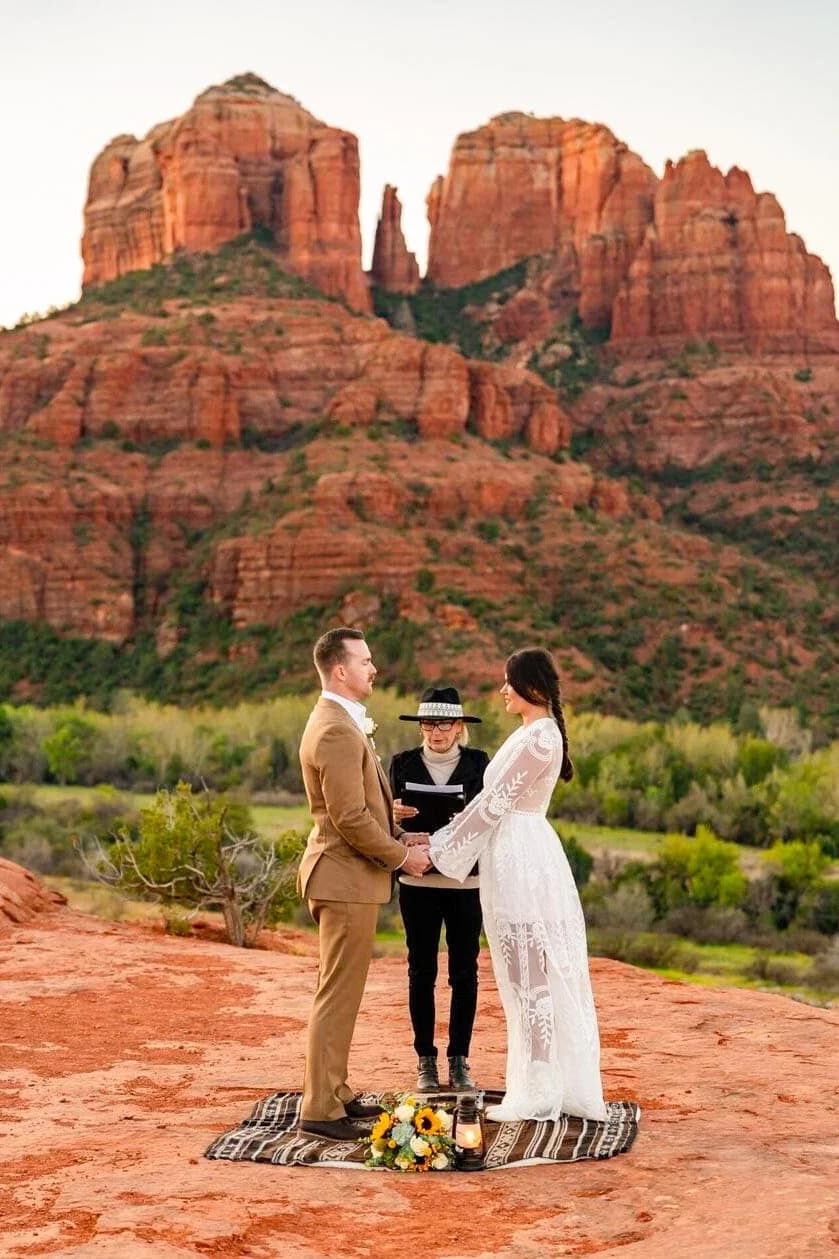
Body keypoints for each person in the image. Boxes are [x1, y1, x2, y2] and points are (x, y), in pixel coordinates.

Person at [427, 648, 608, 1123]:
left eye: (509, 682)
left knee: (531, 974)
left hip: (523, 858)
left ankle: (541, 1087)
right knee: (522, 973)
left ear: (532, 687)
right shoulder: (531, 733)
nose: (503, 690)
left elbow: (492, 805)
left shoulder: (540, 740)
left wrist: (440, 850)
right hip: (511, 853)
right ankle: (536, 1080)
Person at [296, 627, 431, 1141]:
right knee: (336, 993)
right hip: (343, 878)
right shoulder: (334, 728)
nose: (374, 669)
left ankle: (336, 1091)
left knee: (342, 992)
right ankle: (321, 1109)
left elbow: (360, 807)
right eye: (366, 661)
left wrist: (397, 829)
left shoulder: (342, 722)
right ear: (340, 670)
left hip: (347, 876)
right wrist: (402, 857)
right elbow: (348, 817)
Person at [390, 686, 489, 1094]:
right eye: (429, 724)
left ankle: (459, 1060)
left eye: (444, 724)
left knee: (465, 973)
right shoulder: (401, 764)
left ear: (459, 726)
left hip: (466, 881)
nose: (436, 732)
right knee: (421, 971)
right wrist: (391, 816)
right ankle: (425, 1061)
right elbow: (383, 821)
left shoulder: (480, 764)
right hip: (417, 880)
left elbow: (488, 820)